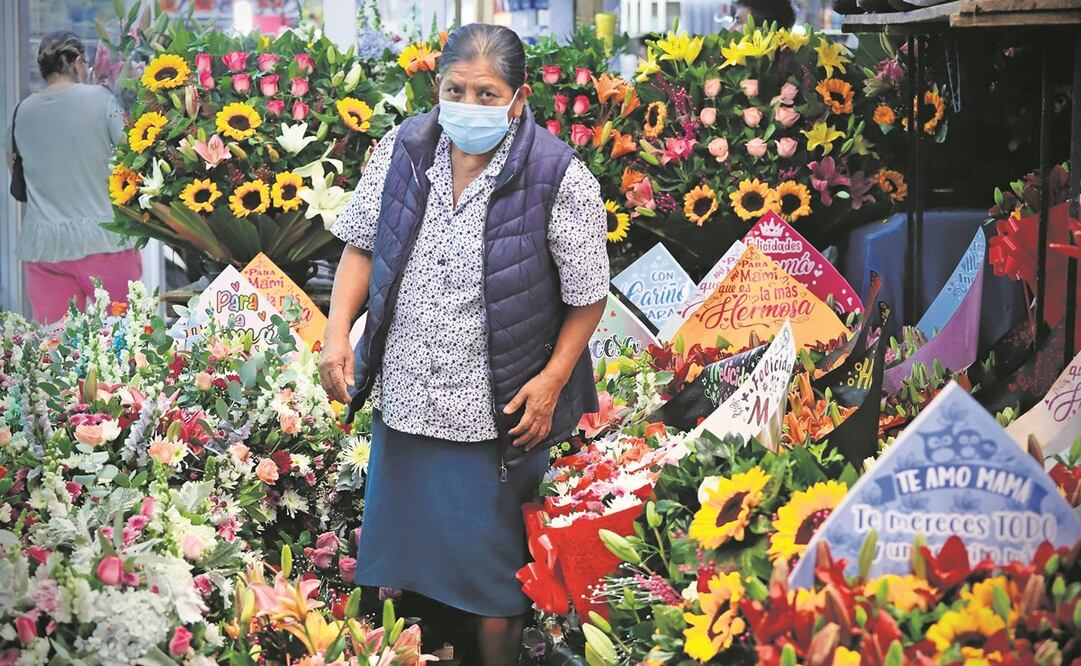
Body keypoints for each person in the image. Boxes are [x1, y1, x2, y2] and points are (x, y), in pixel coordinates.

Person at [319, 23, 609, 666]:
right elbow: (361, 245)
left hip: (496, 412)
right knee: (404, 575)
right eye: (457, 90)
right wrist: (338, 332)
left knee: (495, 588)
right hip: (411, 399)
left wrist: (554, 379)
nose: (470, 106)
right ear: (436, 87)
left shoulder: (557, 173)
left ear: (519, 96)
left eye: (488, 93)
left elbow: (589, 292)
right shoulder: (404, 149)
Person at [8, 31, 142, 323]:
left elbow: (16, 171)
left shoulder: (21, 112)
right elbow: (131, 151)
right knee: (127, 339)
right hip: (105, 238)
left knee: (56, 346)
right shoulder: (103, 100)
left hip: (45, 246)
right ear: (79, 62)